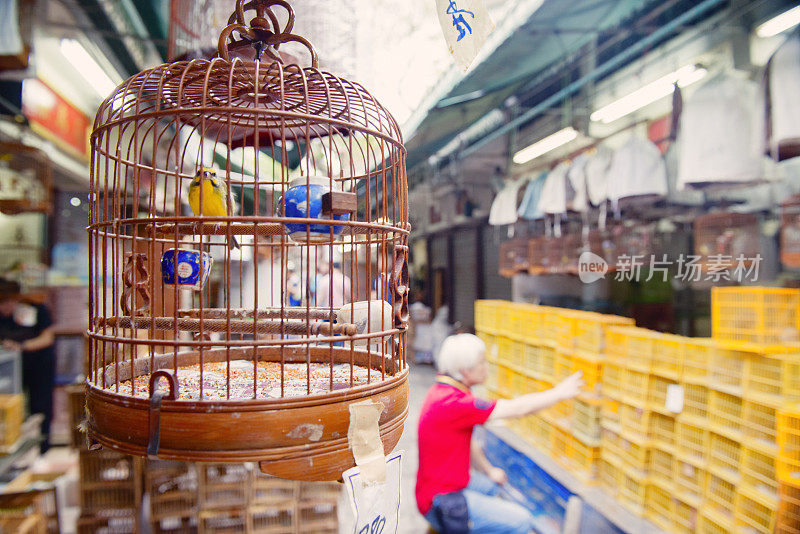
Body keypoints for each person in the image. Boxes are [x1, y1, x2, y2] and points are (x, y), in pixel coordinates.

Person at [416, 333, 584, 534]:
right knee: (521, 521)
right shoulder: (456, 403)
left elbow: (466, 441)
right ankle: (448, 524)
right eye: (481, 362)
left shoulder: (444, 391)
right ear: (465, 371)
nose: (486, 366)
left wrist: (489, 470)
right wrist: (559, 393)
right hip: (441, 501)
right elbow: (517, 408)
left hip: (434, 489)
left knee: (491, 486)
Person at [0, 279, 55, 452]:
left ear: (16, 299)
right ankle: (13, 449)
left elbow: (47, 338)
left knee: (40, 406)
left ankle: (42, 448)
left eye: (8, 301)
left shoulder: (35, 309)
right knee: (11, 404)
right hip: (11, 367)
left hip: (39, 363)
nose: (5, 307)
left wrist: (21, 346)